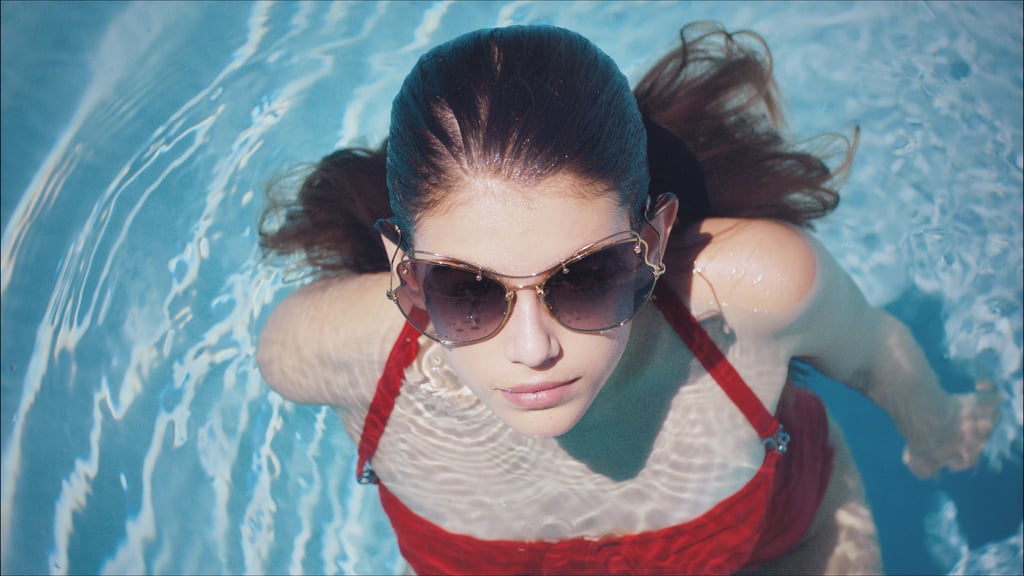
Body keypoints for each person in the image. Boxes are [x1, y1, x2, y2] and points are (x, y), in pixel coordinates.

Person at [256, 22, 1002, 575]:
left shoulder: (752, 293)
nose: (532, 348)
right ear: (403, 269)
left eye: (584, 278)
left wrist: (936, 429)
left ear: (654, 234)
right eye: (467, 289)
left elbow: (877, 354)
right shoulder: (320, 353)